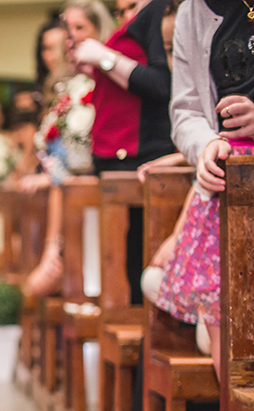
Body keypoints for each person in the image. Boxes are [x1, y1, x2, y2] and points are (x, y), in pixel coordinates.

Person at [155, 0, 254, 378]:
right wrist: (204, 146)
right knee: (227, 341)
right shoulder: (192, 12)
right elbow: (186, 110)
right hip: (227, 182)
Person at [72, 0, 175, 305]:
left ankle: (142, 333)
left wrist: (105, 59)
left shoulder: (159, 10)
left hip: (142, 156)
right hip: (119, 157)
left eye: (130, 6)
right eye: (120, 10)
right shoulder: (142, 18)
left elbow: (160, 85)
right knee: (127, 255)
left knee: (140, 258)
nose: (125, 14)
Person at [24, 1, 113, 297]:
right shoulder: (71, 88)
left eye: (80, 28)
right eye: (68, 30)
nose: (71, 38)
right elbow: (53, 150)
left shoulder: (103, 85)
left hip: (90, 193)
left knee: (90, 284)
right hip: (67, 193)